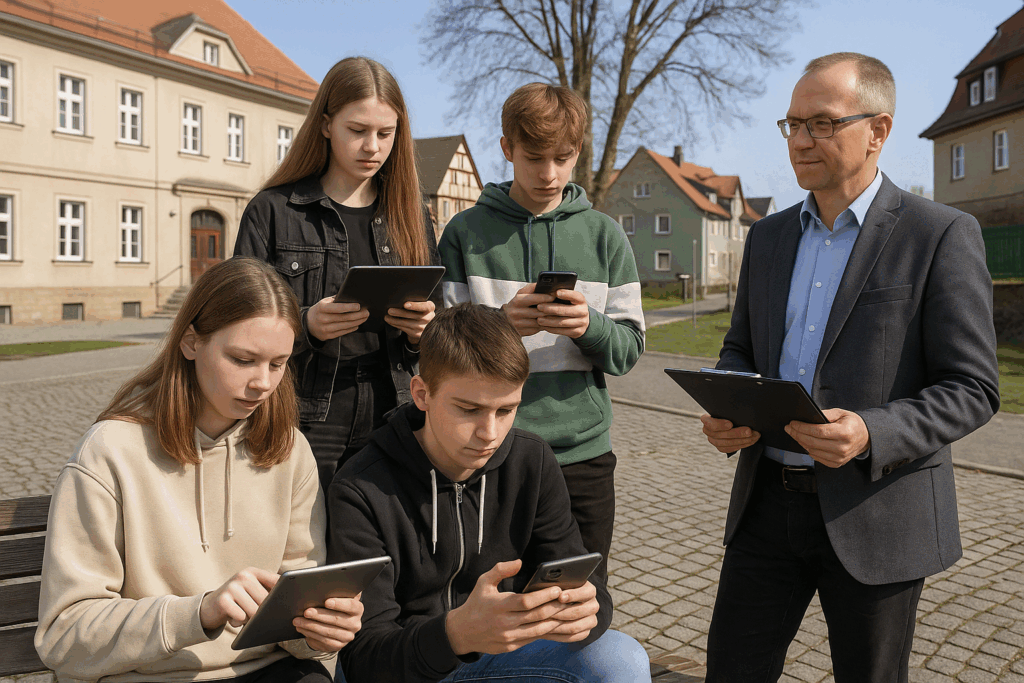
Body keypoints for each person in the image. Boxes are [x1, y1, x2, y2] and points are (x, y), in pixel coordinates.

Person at [700, 53, 1000, 682]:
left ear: (878, 131)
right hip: (765, 507)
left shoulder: (940, 233)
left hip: (879, 512)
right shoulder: (768, 237)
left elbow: (972, 388)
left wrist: (870, 431)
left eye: (822, 123)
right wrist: (730, 402)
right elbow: (741, 349)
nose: (800, 140)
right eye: (792, 124)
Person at [34, 258, 363, 683]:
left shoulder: (289, 448)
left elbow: (297, 605)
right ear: (191, 342)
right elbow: (65, 635)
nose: (263, 383)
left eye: (277, 364)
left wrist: (320, 632)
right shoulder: (110, 451)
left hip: (268, 670)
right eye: (243, 359)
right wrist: (198, 612)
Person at [325, 303, 651, 683]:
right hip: (407, 665)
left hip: (502, 653)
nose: (490, 434)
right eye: (469, 410)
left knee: (621, 658)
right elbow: (363, 659)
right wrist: (455, 634)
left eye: (506, 410)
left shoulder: (533, 460)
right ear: (421, 394)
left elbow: (580, 574)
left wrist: (588, 609)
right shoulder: (360, 487)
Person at [437, 83, 644, 590]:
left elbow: (629, 351)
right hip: (489, 452)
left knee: (579, 598)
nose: (549, 173)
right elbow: (438, 350)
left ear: (579, 152)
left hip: (583, 456)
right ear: (507, 149)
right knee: (491, 596)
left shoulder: (605, 236)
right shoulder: (464, 233)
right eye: (534, 158)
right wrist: (498, 326)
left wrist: (591, 327)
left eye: (562, 158)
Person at [235, 56, 441, 495]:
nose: (372, 147)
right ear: (326, 125)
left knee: (380, 531)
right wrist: (305, 324)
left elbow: (437, 324)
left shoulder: (410, 215)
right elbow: (236, 323)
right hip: (305, 410)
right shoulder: (272, 211)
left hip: (396, 408)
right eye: (357, 130)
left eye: (385, 133)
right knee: (303, 531)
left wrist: (422, 331)